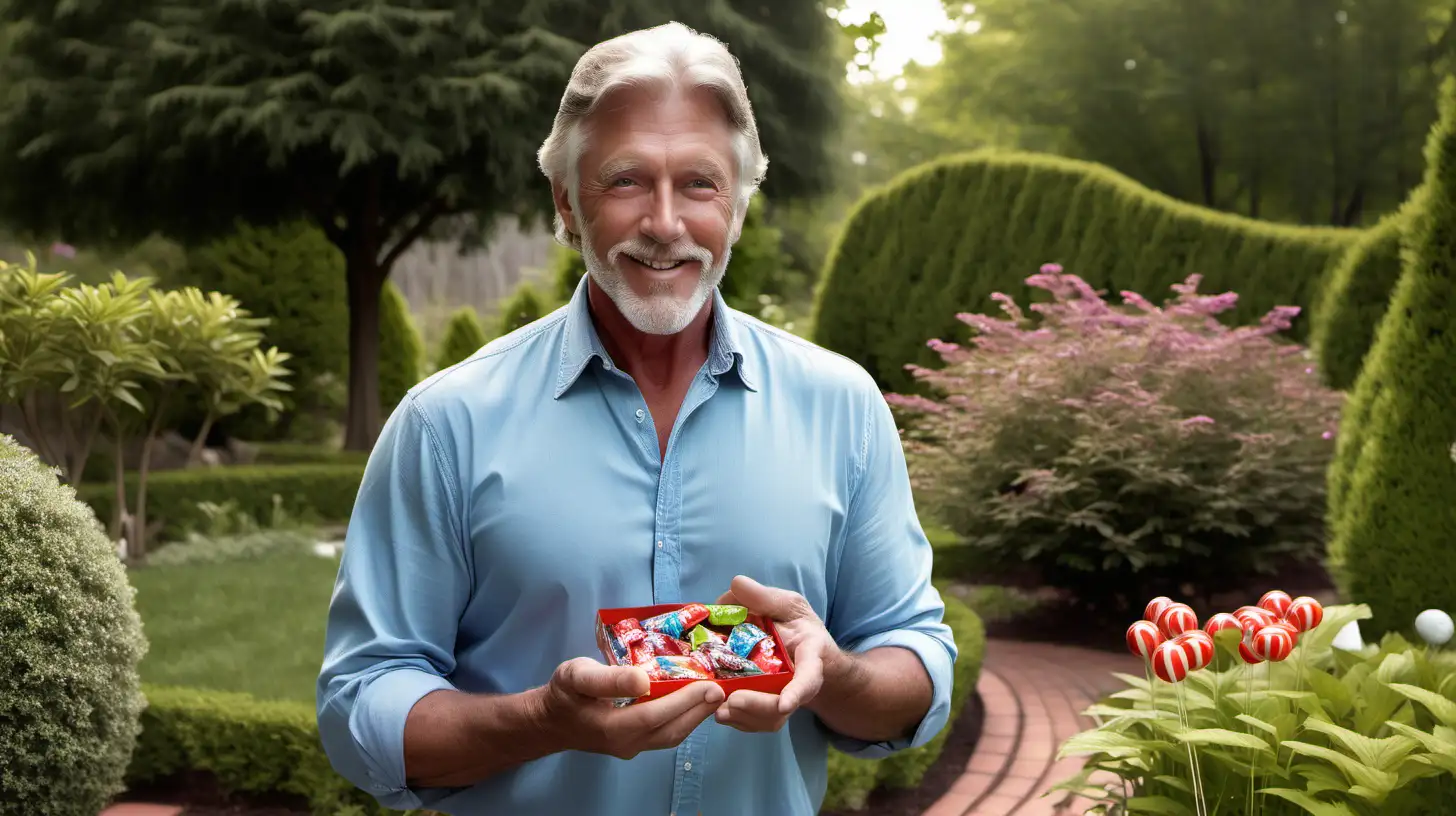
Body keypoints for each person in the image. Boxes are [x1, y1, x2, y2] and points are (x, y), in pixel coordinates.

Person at [315, 21, 957, 816]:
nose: (664, 222)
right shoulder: (446, 424)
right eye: (625, 181)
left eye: (699, 183)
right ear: (567, 202)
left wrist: (834, 670)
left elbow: (917, 664)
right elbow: (360, 704)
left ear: (739, 206)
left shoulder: (843, 408)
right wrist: (541, 721)